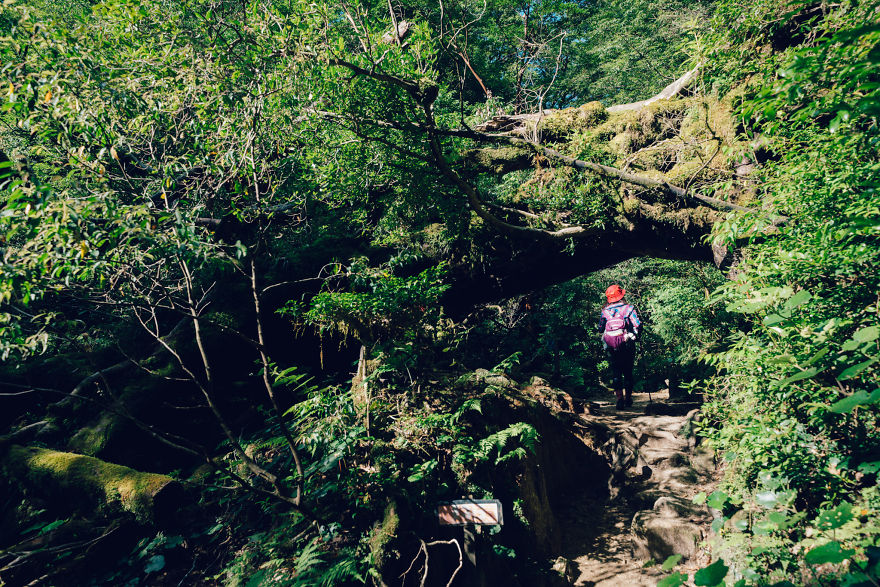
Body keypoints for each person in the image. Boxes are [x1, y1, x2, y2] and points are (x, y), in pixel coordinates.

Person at [598, 284, 642, 410]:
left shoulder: (605, 312)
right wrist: (636, 336)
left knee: (616, 372)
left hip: (611, 347)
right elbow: (637, 324)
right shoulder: (629, 309)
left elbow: (600, 328)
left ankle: (619, 400)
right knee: (628, 372)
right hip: (627, 344)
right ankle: (628, 399)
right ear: (621, 296)